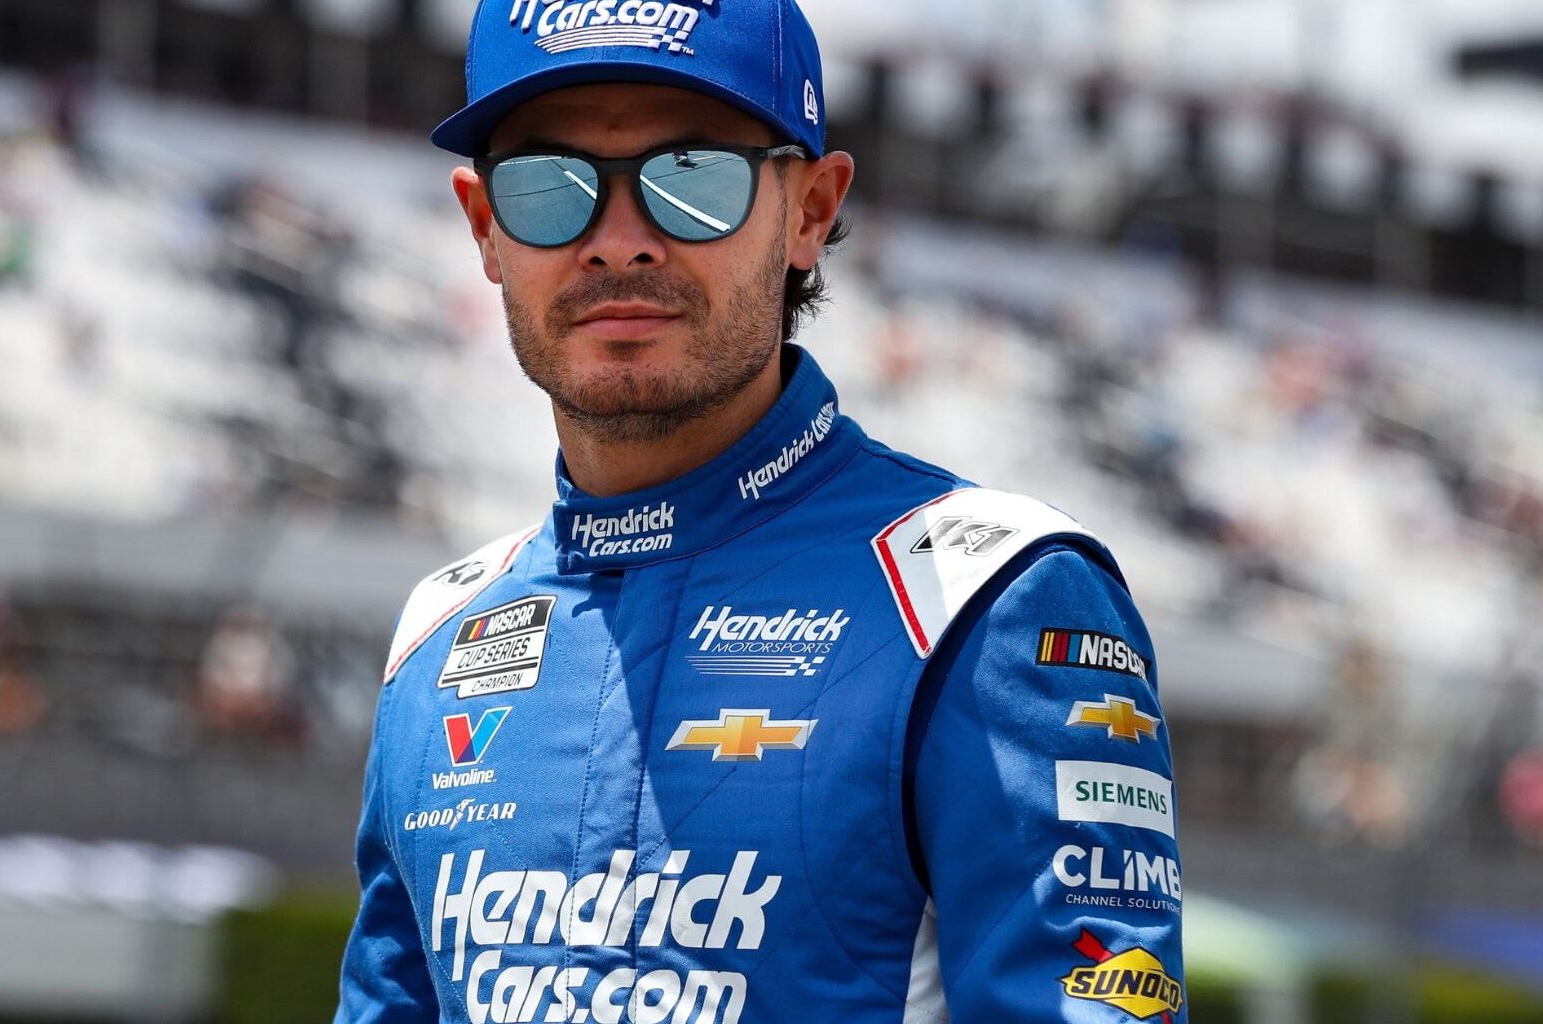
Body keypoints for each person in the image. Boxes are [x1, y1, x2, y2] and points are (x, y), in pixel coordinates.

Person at [337, 2, 1183, 1021]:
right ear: (484, 226)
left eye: (691, 177)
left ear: (811, 211)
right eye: (547, 187)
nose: (617, 242)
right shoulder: (437, 640)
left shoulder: (984, 596)